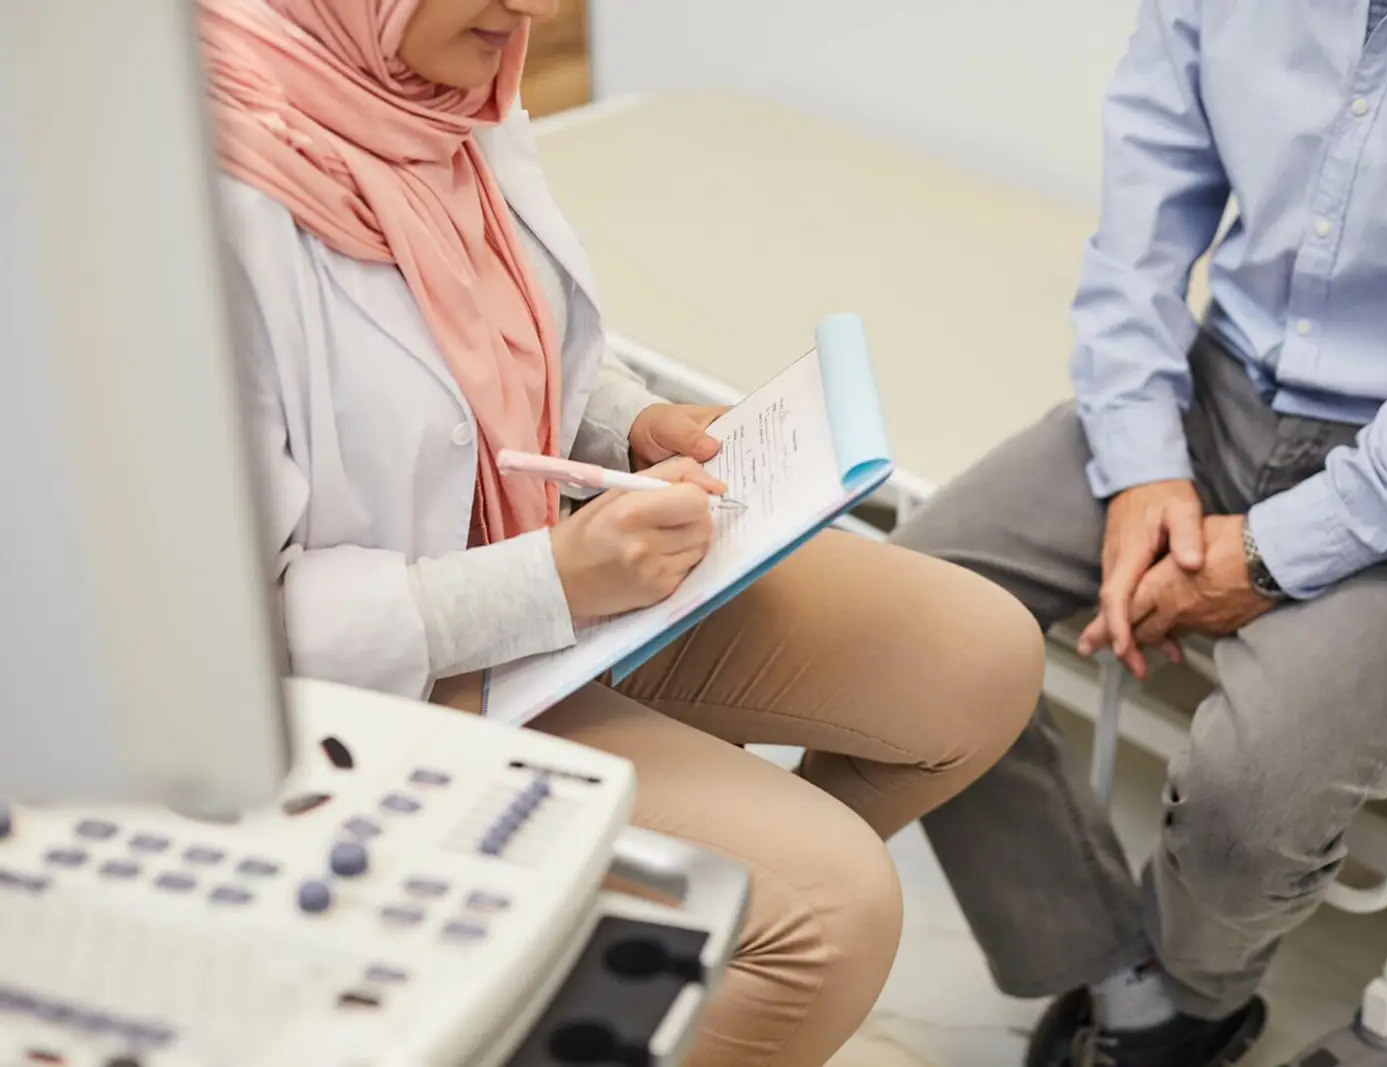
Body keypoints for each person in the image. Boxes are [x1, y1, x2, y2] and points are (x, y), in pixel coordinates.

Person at [198, 2, 1043, 1065]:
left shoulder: (440, 83)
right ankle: (665, 950)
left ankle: (629, 951)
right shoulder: (196, 200)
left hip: (547, 564)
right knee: (828, 913)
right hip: (379, 686)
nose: (538, 12)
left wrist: (631, 420)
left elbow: (502, 316)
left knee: (979, 657)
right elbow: (225, 630)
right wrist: (549, 581)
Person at [892, 3, 1387, 1066]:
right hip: (1217, 391)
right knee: (900, 620)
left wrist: (1273, 552)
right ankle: (1121, 976)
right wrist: (1140, 468)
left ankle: (1190, 997)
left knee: (1247, 794)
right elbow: (1138, 235)